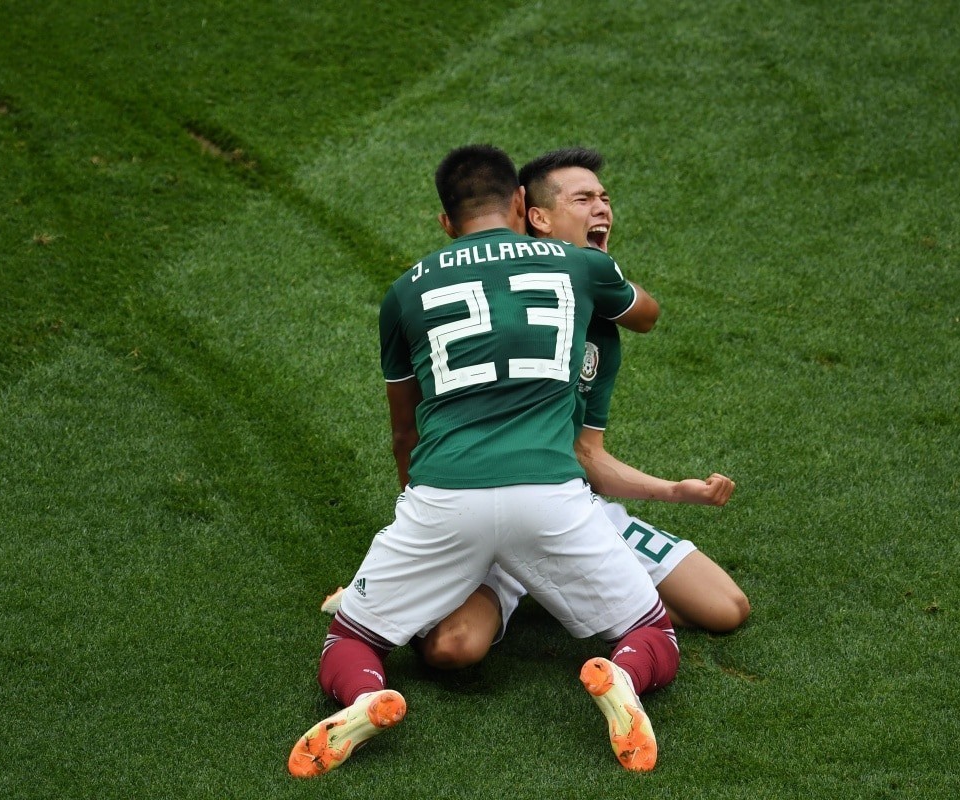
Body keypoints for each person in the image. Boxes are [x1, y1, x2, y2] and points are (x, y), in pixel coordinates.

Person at [288, 144, 679, 778]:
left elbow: (403, 430)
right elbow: (646, 316)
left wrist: (417, 515)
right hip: (551, 492)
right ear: (523, 205)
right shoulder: (577, 264)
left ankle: (365, 697)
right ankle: (625, 681)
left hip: (444, 493)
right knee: (652, 631)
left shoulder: (403, 293)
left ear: (445, 222)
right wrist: (602, 275)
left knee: (353, 637)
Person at [324, 148, 750, 671]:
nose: (601, 209)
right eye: (582, 198)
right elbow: (649, 313)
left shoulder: (589, 320)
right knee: (452, 648)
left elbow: (585, 453)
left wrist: (672, 491)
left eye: (604, 198)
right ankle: (558, 591)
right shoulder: (578, 275)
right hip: (539, 500)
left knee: (725, 608)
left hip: (550, 502)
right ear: (530, 211)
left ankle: (535, 587)